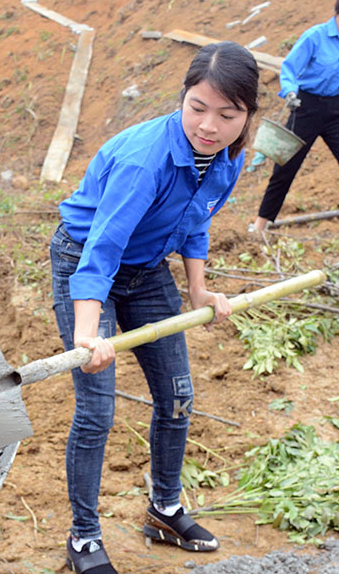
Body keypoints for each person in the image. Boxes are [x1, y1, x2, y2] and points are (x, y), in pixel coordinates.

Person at [50, 41, 259, 573]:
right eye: (197, 107)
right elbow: (102, 248)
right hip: (87, 259)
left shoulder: (229, 157)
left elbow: (196, 220)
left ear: (247, 117)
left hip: (145, 273)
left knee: (178, 395)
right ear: (183, 98)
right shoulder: (148, 159)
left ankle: (165, 509)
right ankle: (83, 538)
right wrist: (89, 332)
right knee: (97, 410)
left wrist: (198, 290)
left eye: (226, 114)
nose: (208, 125)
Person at [250, 0, 339, 245]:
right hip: (305, 107)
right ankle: (260, 226)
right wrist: (291, 92)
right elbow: (290, 68)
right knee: (285, 168)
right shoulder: (315, 36)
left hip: (336, 112)